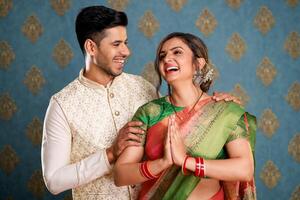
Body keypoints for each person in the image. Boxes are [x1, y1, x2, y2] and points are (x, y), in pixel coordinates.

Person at [41, 5, 240, 200]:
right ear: (91, 47)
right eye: (116, 44)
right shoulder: (62, 105)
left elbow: (189, 120)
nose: (126, 51)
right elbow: (54, 181)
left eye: (126, 42)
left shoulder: (143, 88)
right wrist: (109, 154)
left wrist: (219, 106)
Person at [114, 32, 256, 200]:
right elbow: (121, 174)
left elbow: (244, 169)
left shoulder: (225, 112)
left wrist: (186, 161)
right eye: (162, 56)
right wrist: (162, 163)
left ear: (198, 63)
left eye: (177, 52)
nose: (167, 59)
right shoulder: (150, 112)